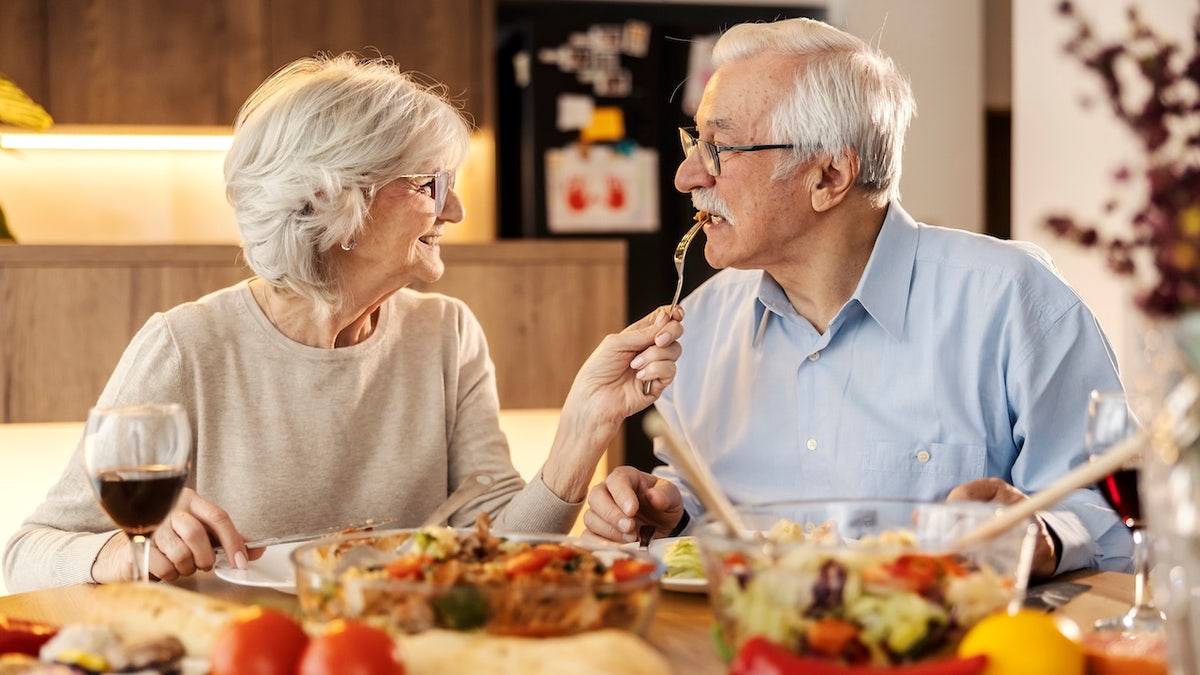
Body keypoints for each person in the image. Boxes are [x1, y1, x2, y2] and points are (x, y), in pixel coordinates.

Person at [3, 53, 682, 592]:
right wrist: (127, 552)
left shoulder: (446, 334)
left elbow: (498, 549)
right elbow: (24, 556)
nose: (457, 213)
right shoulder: (187, 346)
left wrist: (584, 427)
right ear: (335, 201)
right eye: (431, 186)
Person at [582, 17, 1132, 579]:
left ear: (829, 175)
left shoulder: (1013, 301)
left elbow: (1113, 518)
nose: (686, 176)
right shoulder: (697, 327)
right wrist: (668, 513)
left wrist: (1043, 537)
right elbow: (703, 508)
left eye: (721, 148)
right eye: (696, 142)